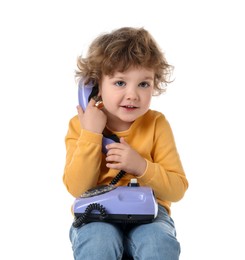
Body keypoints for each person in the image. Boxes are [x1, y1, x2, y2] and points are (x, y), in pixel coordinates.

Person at [63, 27, 188, 260]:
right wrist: (91, 134)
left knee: (158, 244)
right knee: (99, 243)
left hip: (148, 213)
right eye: (120, 83)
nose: (133, 95)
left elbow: (177, 189)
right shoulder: (81, 125)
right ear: (95, 85)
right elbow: (77, 189)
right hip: (96, 212)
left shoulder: (156, 124)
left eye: (143, 84)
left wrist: (141, 166)